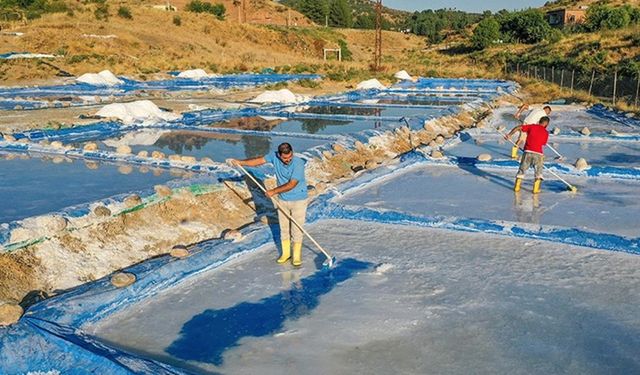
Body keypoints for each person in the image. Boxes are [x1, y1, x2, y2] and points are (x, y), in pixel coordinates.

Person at [227, 142, 308, 266]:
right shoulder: (274, 157)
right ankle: (286, 253)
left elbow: (292, 184)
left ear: (292, 153)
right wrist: (241, 162)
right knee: (284, 228)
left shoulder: (298, 163)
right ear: (279, 155)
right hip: (283, 199)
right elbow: (258, 161)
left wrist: (273, 191)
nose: (288, 160)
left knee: (296, 228)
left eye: (290, 156)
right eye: (285, 158)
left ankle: (296, 255)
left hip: (299, 200)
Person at [505, 116, 551, 194]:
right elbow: (543, 143)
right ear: (547, 124)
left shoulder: (532, 126)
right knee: (538, 173)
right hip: (538, 154)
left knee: (522, 170)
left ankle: (517, 188)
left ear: (539, 121)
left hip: (527, 152)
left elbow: (518, 127)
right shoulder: (546, 132)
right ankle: (535, 190)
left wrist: (509, 135)